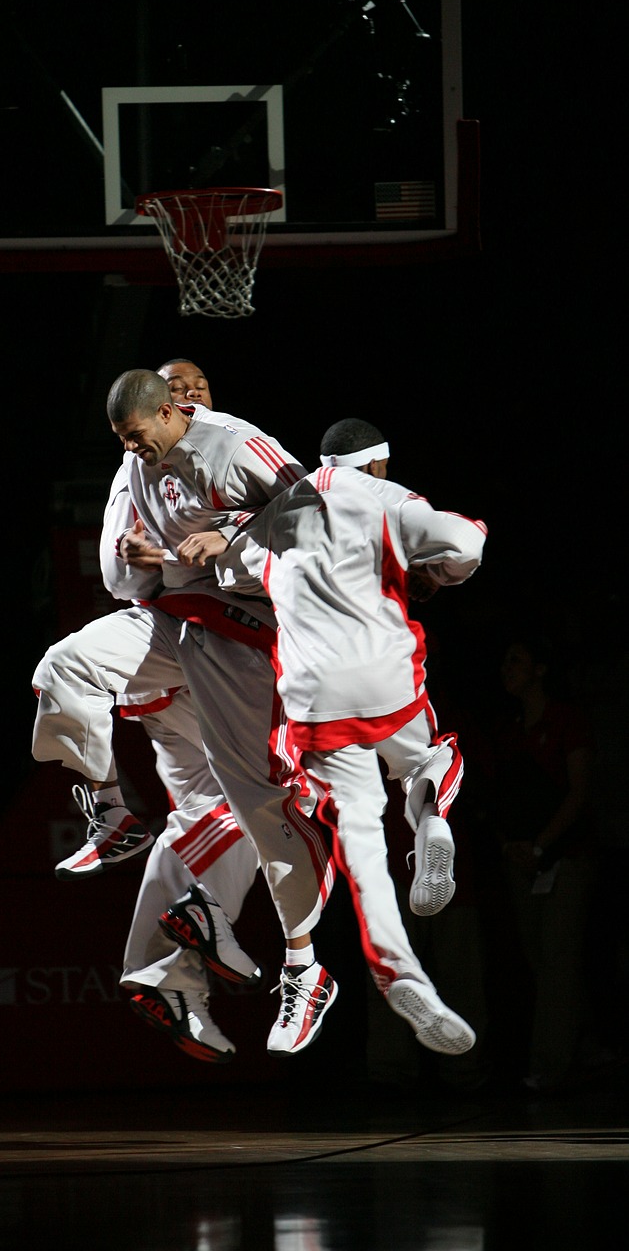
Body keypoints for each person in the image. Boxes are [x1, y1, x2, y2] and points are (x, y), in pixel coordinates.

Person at [32, 367, 337, 1059]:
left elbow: (317, 525)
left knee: (242, 809)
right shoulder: (137, 462)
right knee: (63, 667)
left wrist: (230, 539)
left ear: (179, 408)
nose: (192, 392)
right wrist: (147, 558)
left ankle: (247, 965)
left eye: (197, 383)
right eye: (127, 440)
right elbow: (124, 581)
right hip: (177, 640)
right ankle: (111, 817)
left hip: (248, 637)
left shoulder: (236, 445)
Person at [178, 417, 487, 1057]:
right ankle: (433, 820)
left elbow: (237, 572)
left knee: (363, 849)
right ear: (377, 465)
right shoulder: (388, 496)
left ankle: (400, 974)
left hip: (312, 703)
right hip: (382, 681)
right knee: (431, 754)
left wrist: (213, 542)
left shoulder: (282, 508)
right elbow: (464, 543)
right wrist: (434, 572)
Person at [484, 625, 598, 1092]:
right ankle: (582, 1049)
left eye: (516, 659)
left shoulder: (567, 720)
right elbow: (496, 797)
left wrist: (540, 845)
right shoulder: (510, 731)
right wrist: (510, 844)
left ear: (541, 669)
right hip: (521, 861)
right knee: (540, 960)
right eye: (505, 660)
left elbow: (580, 791)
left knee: (558, 960)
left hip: (565, 858)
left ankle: (549, 1067)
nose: (507, 669)